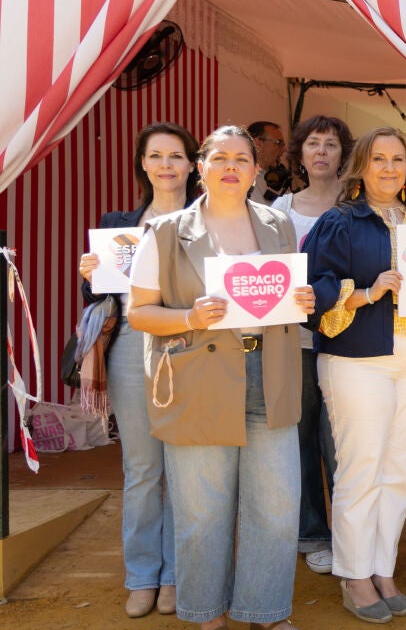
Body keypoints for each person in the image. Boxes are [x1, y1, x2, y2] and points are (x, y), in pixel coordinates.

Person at [128, 125, 313, 630]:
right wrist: (190, 316)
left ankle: (265, 612)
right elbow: (139, 313)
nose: (231, 166)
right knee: (202, 510)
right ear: (201, 168)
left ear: (256, 171)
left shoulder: (278, 224)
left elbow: (285, 297)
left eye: (242, 159)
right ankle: (207, 614)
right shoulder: (165, 232)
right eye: (220, 158)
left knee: (276, 506)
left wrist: (302, 299)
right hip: (200, 379)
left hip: (269, 374)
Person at [304, 127, 406, 623]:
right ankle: (354, 575)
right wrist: (370, 291)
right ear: (361, 166)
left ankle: (382, 568)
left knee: (399, 474)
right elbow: (316, 291)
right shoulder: (339, 221)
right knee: (360, 469)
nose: (389, 168)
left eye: (398, 159)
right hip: (359, 358)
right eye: (379, 159)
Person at [76, 122, 200, 618]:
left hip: (192, 343)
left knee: (184, 466)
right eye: (156, 156)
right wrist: (89, 275)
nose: (166, 165)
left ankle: (175, 575)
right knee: (143, 467)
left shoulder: (208, 220)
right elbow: (100, 294)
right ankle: (143, 575)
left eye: (176, 156)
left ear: (192, 165)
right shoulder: (118, 222)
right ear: (143, 164)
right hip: (130, 344)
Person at [271, 115, 354, 575]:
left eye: (331, 144)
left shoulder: (359, 205)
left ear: (344, 154)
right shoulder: (279, 209)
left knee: (342, 439)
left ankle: (349, 534)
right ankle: (312, 534)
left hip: (349, 339)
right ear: (299, 154)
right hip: (298, 341)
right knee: (301, 439)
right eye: (313, 144)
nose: (321, 152)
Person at [248, 120, 290, 204]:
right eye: (278, 143)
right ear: (258, 144)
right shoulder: (244, 180)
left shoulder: (279, 179)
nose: (285, 149)